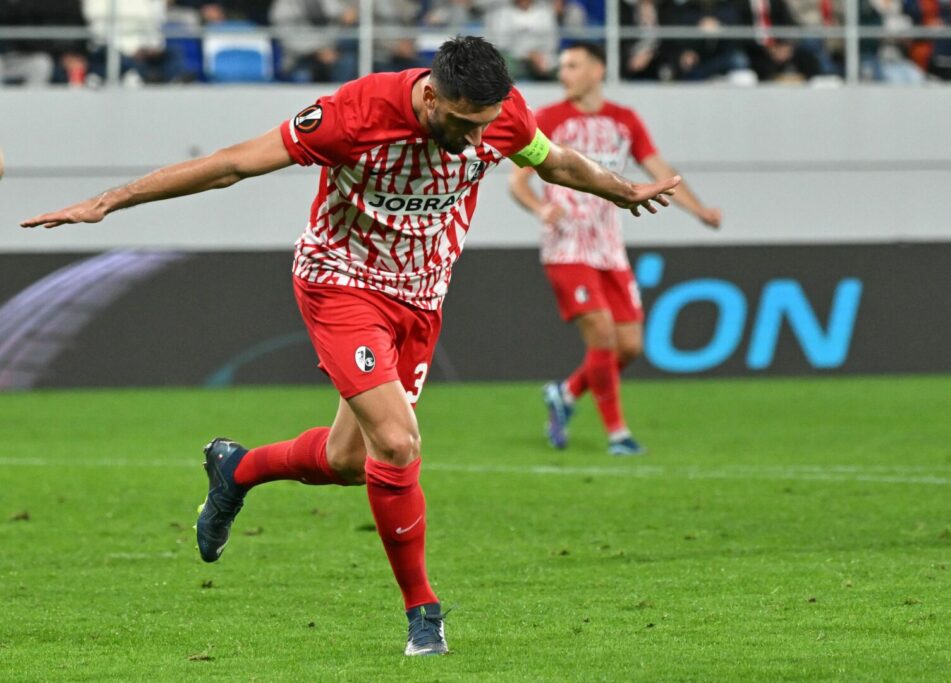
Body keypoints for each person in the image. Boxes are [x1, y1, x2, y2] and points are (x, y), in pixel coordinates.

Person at [20, 36, 679, 657]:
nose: (477, 138)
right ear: (428, 98)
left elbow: (555, 161)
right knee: (397, 443)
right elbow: (231, 166)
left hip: (421, 297)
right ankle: (424, 614)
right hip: (341, 283)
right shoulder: (353, 113)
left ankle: (237, 469)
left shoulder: (500, 115)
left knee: (346, 459)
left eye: (485, 123)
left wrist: (625, 192)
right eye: (461, 122)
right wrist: (110, 200)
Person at [509, 42, 720, 456]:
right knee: (602, 335)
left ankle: (565, 393)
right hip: (567, 246)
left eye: (572, 64)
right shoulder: (547, 119)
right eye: (562, 65)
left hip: (609, 248)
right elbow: (518, 182)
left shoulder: (624, 121)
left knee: (629, 346)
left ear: (596, 70)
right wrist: (541, 208)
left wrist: (698, 210)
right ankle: (618, 434)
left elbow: (658, 173)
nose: (564, 72)